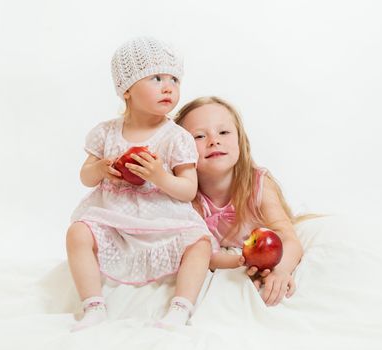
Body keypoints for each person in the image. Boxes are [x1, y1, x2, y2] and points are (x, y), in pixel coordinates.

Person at [66, 37, 215, 332]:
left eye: (174, 79)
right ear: (127, 90)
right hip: (113, 217)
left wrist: (159, 176)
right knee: (77, 232)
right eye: (156, 78)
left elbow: (188, 189)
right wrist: (100, 169)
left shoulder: (176, 137)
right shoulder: (106, 132)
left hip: (162, 217)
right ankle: (93, 306)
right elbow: (85, 177)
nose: (168, 86)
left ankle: (180, 308)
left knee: (200, 243)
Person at [175, 96, 311, 307]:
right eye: (199, 136)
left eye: (224, 132)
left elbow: (289, 237)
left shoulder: (259, 184)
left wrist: (281, 271)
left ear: (240, 140)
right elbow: (201, 254)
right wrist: (240, 263)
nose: (214, 141)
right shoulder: (189, 198)